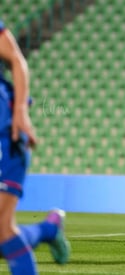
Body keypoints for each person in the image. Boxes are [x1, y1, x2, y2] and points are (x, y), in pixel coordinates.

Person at [0, 20, 70, 274]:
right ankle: (49, 229)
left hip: (5, 132)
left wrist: (20, 111)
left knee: (1, 230)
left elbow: (16, 60)